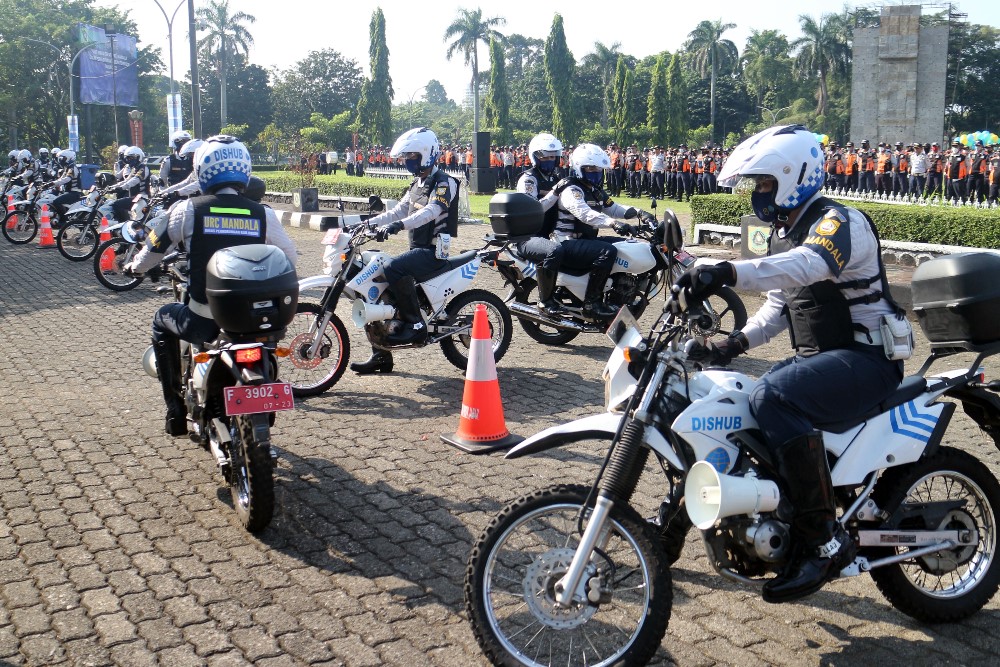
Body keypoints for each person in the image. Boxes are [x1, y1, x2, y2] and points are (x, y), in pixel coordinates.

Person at [678, 124, 907, 603]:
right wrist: (728, 346)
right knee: (738, 397)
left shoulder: (838, 223)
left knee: (773, 395)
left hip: (868, 360)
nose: (759, 194)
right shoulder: (788, 233)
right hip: (827, 359)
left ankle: (823, 541)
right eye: (756, 185)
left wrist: (727, 270)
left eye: (763, 183)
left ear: (792, 176)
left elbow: (807, 267)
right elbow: (781, 306)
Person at [124, 135, 297, 436]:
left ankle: (175, 412)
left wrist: (134, 268)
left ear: (202, 170)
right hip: (258, 323)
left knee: (161, 320)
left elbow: (152, 251)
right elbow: (290, 258)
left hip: (205, 321)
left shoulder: (186, 210)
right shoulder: (263, 214)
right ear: (244, 170)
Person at [349, 127, 459, 375]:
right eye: (406, 157)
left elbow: (431, 212)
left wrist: (399, 225)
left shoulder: (445, 183)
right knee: (375, 280)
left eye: (412, 156)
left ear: (426, 155)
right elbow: (397, 211)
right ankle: (381, 355)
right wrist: (366, 223)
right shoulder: (416, 184)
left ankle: (417, 324)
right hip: (416, 249)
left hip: (433, 252)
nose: (407, 161)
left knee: (392, 267)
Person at [553, 143, 647, 320]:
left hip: (584, 241)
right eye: (591, 168)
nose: (596, 172)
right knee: (607, 251)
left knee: (624, 246)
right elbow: (585, 214)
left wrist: (641, 213)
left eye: (598, 169)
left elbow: (614, 208)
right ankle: (592, 303)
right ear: (580, 168)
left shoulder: (594, 190)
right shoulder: (572, 190)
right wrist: (613, 224)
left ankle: (618, 293)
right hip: (566, 242)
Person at [514, 132, 570, 317]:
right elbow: (535, 209)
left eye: (552, 156)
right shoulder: (529, 179)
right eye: (545, 156)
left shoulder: (555, 177)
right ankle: (545, 301)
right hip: (528, 236)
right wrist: (555, 192)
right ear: (535, 156)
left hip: (548, 234)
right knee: (554, 251)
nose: (549, 160)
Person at [110, 146, 151, 222]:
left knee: (117, 204)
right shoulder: (134, 169)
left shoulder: (143, 168)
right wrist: (112, 187)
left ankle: (124, 225)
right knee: (112, 204)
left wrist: (122, 188)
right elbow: (126, 180)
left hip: (142, 198)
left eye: (131, 158)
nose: (129, 160)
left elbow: (135, 180)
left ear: (138, 157)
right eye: (128, 158)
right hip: (134, 198)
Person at [49, 150, 84, 226]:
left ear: (69, 158)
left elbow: (67, 179)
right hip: (68, 191)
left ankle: (63, 221)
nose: (61, 160)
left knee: (56, 202)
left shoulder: (72, 168)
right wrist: (49, 184)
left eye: (62, 158)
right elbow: (61, 179)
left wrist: (53, 183)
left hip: (74, 193)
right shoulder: (67, 168)